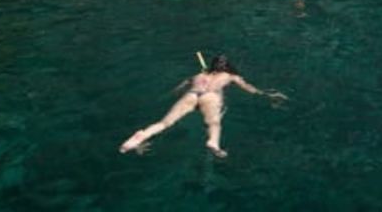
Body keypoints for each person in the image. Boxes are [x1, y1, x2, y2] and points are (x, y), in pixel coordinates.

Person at [119, 54, 287, 158]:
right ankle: (213, 142)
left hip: (192, 94)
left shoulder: (197, 75)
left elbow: (178, 89)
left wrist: (165, 97)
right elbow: (250, 89)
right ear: (227, 67)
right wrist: (267, 95)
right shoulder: (231, 76)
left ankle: (141, 136)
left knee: (164, 124)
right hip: (211, 97)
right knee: (213, 124)